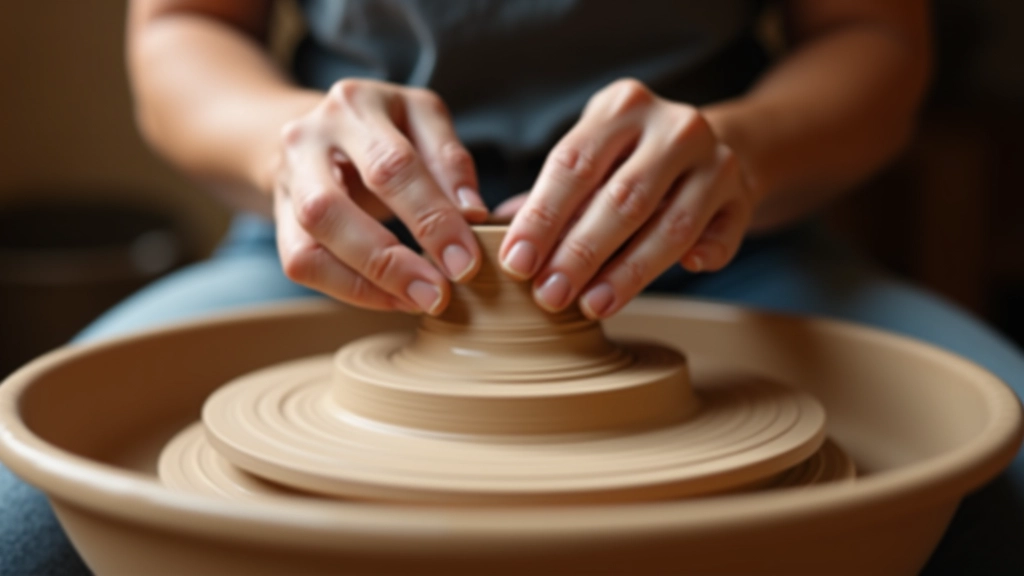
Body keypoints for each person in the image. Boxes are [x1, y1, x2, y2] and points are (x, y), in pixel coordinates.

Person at [2, 1, 1021, 574]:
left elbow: (876, 41)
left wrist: (742, 155)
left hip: (716, 238)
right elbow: (179, 29)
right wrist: (288, 149)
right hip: (341, 253)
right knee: (19, 528)